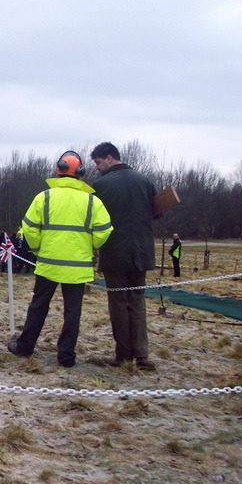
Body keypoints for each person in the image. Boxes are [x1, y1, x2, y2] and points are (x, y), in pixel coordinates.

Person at [8, 151, 112, 368]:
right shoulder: (92, 202)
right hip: (77, 267)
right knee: (72, 313)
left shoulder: (44, 197)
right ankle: (66, 357)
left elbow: (29, 228)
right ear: (80, 174)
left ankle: (25, 346)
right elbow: (104, 232)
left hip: (48, 264)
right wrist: (89, 247)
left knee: (38, 306)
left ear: (58, 171)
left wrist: (38, 249)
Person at [90, 142, 158, 370]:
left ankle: (123, 355)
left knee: (119, 302)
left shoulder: (100, 185)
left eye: (98, 163)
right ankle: (142, 355)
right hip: (142, 251)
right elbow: (154, 213)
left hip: (115, 252)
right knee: (137, 301)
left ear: (110, 158)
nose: (97, 168)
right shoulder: (145, 180)